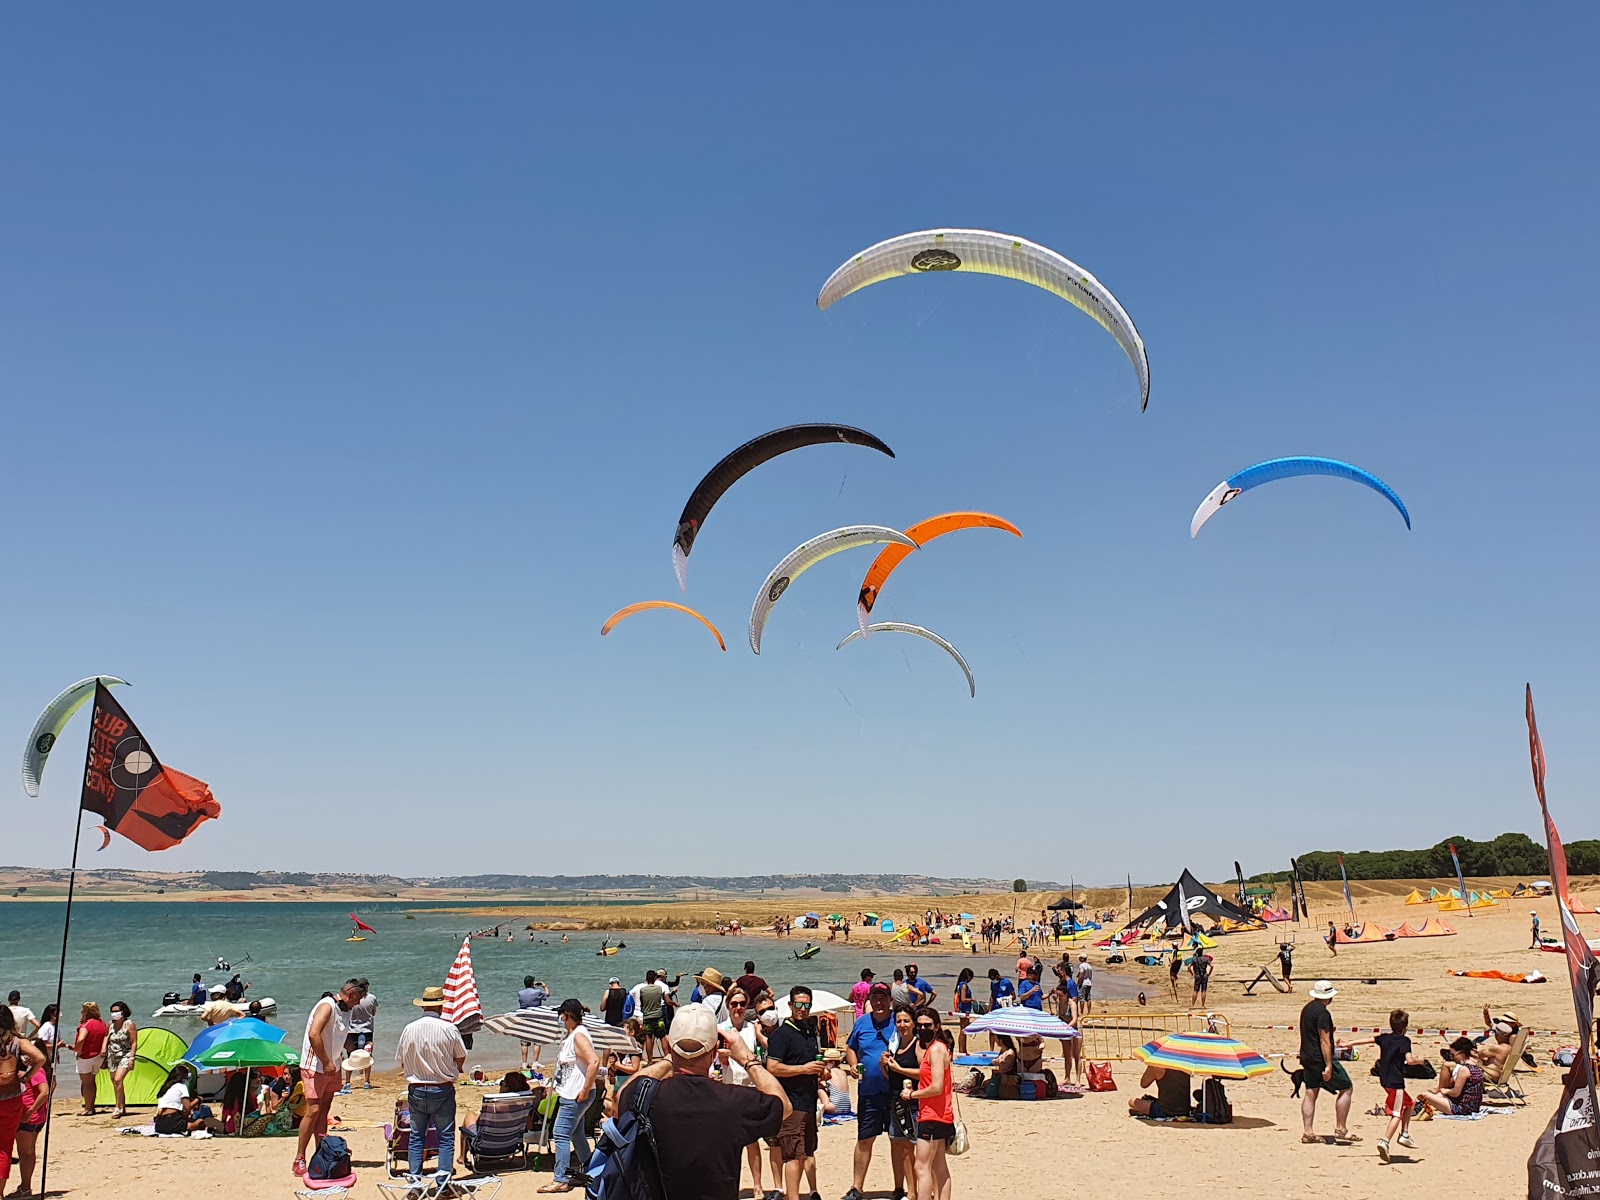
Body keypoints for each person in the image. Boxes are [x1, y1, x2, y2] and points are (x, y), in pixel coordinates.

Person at [619, 1003, 787, 1200]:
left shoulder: (646, 1095)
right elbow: (783, 1106)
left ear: (670, 1047)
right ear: (715, 1051)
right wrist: (747, 1059)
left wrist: (668, 1060)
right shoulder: (734, 1101)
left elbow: (621, 1096)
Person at [394, 984, 467, 1188]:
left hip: (417, 1087)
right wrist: (451, 1067)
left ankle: (415, 1181)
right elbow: (460, 1057)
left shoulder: (409, 1029)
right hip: (441, 1087)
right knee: (445, 1136)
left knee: (417, 1136)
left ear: (423, 1006)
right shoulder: (449, 1028)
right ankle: (443, 1183)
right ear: (441, 1007)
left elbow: (402, 1060)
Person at [294, 978, 361, 1178]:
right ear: (350, 995)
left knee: (325, 1109)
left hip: (333, 1065)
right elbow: (314, 1034)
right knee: (313, 1110)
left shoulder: (346, 1010)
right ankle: (299, 1158)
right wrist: (327, 1061)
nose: (358, 1004)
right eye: (358, 999)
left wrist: (355, 1052)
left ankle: (321, 1154)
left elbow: (341, 1035)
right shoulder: (327, 1005)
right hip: (315, 1065)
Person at [843, 982, 903, 1200]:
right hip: (868, 1092)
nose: (879, 1002)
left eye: (883, 998)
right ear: (869, 1000)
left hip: (895, 1093)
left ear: (891, 1001)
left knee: (898, 1141)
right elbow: (851, 1047)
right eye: (875, 998)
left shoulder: (899, 1021)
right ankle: (857, 1188)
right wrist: (851, 1064)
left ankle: (899, 1188)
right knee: (865, 1140)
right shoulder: (861, 1023)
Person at [765, 986, 824, 1200]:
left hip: (809, 1102)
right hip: (791, 1104)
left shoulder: (809, 1030)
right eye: (798, 1004)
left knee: (807, 1153)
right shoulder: (782, 1034)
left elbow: (808, 1062)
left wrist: (819, 1072)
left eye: (807, 1005)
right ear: (790, 1005)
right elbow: (772, 1067)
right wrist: (804, 1069)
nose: (803, 1008)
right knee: (792, 1156)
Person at [716, 988, 771, 1198]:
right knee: (727, 1142)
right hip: (726, 1089)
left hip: (749, 1089)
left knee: (751, 1140)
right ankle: (731, 1184)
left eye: (742, 1004)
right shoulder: (719, 1029)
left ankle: (757, 1184)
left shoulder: (753, 1029)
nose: (738, 1007)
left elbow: (765, 1055)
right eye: (734, 1004)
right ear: (728, 1006)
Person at [1342, 1009, 1417, 1162]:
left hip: (1384, 1079)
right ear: (1405, 1028)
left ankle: (1405, 1134)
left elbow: (1368, 1040)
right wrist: (1420, 1061)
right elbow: (1409, 1060)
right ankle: (1385, 1141)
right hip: (1396, 1081)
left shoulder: (1385, 1038)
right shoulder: (1405, 1041)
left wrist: (1349, 1043)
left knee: (1410, 1103)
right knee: (1397, 1113)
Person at [542, 998, 599, 1194]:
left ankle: (561, 1179)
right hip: (571, 1093)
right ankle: (592, 1171)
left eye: (562, 1014)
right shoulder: (572, 1035)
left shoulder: (579, 1036)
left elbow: (594, 1062)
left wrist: (584, 1089)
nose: (560, 1017)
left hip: (576, 1096)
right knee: (576, 1134)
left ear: (568, 1015)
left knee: (560, 1134)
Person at [903, 1009, 954, 1200]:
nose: (923, 1028)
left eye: (928, 1025)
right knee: (938, 1166)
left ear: (937, 1026)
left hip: (933, 1114)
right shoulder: (935, 1048)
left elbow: (937, 1087)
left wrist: (912, 1094)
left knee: (921, 1166)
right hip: (938, 1113)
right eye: (921, 1025)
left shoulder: (936, 1049)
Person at [1298, 980, 1354, 1144]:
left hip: (1307, 1056)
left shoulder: (1307, 1009)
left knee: (1311, 1092)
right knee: (1346, 1087)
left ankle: (1308, 1131)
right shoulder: (1323, 1014)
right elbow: (1324, 1040)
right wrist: (1329, 1064)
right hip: (1319, 1058)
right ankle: (1341, 1128)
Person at [0, 1009, 47, 1187]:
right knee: (4, 1147)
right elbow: (40, 1058)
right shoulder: (17, 1041)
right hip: (11, 1098)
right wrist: (27, 1077)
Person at [880, 1004, 923, 1200]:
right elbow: (891, 1077)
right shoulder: (894, 1044)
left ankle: (913, 1193)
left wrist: (898, 1069)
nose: (902, 1024)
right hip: (896, 1101)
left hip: (913, 1103)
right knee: (896, 1144)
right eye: (899, 1021)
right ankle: (900, 1188)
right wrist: (885, 1066)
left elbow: (925, 1073)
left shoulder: (918, 1045)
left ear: (914, 1023)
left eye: (906, 1021)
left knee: (909, 1148)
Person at [12, 1035, 53, 1195]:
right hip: (37, 1116)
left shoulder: (36, 1072)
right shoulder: (39, 1071)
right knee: (28, 1152)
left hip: (29, 1117)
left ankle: (25, 1187)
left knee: (25, 1153)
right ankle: (25, 1187)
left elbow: (44, 1093)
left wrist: (29, 1112)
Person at [1418, 1038, 1486, 1118]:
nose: (1452, 1058)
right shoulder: (1477, 1066)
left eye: (1453, 1055)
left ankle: (1416, 1112)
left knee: (1424, 1095)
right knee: (1439, 1095)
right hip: (1473, 1107)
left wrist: (1445, 1090)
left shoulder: (1464, 1070)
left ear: (1461, 1054)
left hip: (1462, 1109)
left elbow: (1455, 1093)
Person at [341, 979, 377, 1093]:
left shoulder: (353, 999)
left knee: (351, 1056)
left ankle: (347, 1082)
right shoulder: (372, 998)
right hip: (367, 1030)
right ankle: (366, 1081)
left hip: (352, 1030)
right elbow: (373, 1012)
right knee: (367, 1055)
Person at [154, 1065, 213, 1134]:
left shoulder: (166, 1088)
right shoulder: (181, 1086)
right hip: (172, 1120)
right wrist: (198, 1099)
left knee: (189, 1119)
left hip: (159, 1123)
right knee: (200, 1122)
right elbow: (188, 1108)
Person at [72, 1001, 107, 1116]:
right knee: (92, 1081)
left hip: (86, 1056)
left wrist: (77, 1049)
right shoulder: (102, 1023)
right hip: (97, 1056)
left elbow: (81, 1039)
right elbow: (105, 1036)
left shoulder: (86, 1025)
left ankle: (88, 1108)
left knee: (86, 1083)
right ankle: (91, 1105)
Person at [104, 1001, 138, 1119]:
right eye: (112, 1012)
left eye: (116, 1011)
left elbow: (134, 1042)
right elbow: (107, 1038)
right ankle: (122, 1106)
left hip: (125, 1055)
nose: (114, 1014)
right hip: (112, 1056)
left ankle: (117, 1107)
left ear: (123, 1012)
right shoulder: (110, 1024)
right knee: (115, 1082)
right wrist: (103, 1052)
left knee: (118, 1080)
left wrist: (132, 1058)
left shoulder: (129, 1024)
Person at [632, 971, 669, 1063]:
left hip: (647, 1017)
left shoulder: (643, 990)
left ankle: (649, 1060)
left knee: (649, 1037)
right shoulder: (659, 988)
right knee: (663, 1037)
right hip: (658, 1016)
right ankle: (667, 1058)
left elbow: (642, 1003)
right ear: (655, 978)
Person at [952, 969, 975, 1056]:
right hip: (965, 1010)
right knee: (963, 1030)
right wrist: (972, 999)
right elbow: (963, 999)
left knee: (963, 1030)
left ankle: (963, 1049)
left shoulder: (960, 985)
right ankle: (962, 1050)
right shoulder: (964, 986)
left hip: (963, 1009)